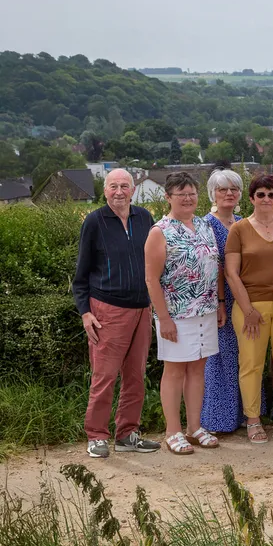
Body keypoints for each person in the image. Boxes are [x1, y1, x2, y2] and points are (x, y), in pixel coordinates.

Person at [73, 169, 160, 458]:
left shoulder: (144, 218)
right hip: (107, 309)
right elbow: (81, 275)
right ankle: (96, 435)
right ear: (105, 190)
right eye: (113, 186)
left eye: (124, 186)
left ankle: (127, 434)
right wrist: (86, 313)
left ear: (133, 190)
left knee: (135, 375)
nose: (119, 191)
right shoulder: (95, 222)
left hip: (141, 308)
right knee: (104, 376)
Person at [145, 172, 222, 455]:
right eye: (181, 194)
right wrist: (163, 318)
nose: (188, 199)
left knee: (198, 370)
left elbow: (216, 266)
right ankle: (172, 431)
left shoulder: (204, 225)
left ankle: (194, 427)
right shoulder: (159, 231)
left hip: (205, 310)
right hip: (175, 314)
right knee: (175, 370)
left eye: (191, 193)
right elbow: (152, 279)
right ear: (168, 197)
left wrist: (220, 303)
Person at [225, 175, 273, 443]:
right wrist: (247, 309)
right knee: (251, 364)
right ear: (252, 198)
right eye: (261, 194)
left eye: (271, 194)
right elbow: (231, 273)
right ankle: (253, 419)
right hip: (249, 307)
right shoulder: (239, 229)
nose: (266, 199)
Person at [200, 168, 244, 434]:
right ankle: (218, 419)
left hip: (244, 298)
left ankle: (243, 414)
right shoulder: (206, 224)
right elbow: (213, 266)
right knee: (220, 358)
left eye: (234, 189)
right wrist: (219, 302)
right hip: (220, 300)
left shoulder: (242, 222)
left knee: (243, 357)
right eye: (222, 189)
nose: (229, 193)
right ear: (213, 193)